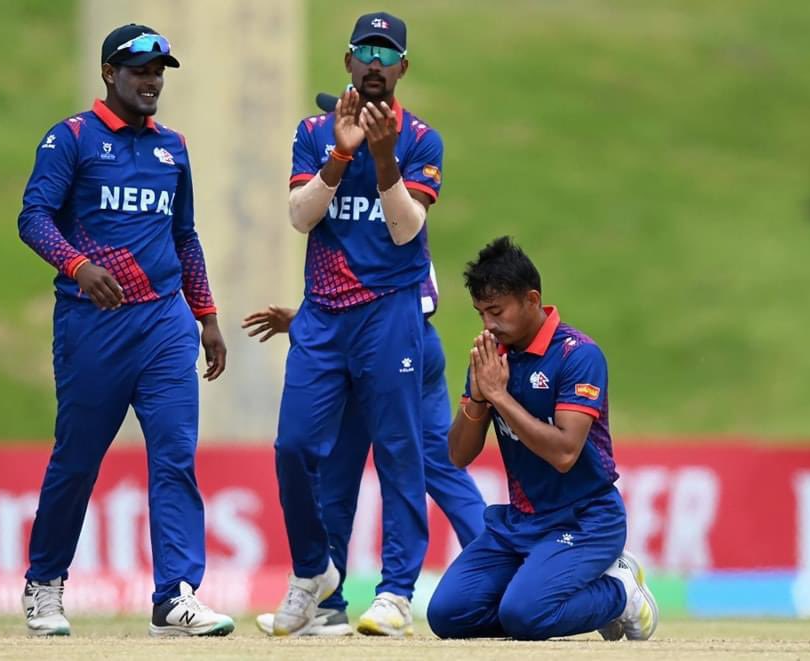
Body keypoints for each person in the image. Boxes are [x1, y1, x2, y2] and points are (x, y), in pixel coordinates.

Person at [16, 24, 234, 638]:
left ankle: (175, 596)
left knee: (175, 457)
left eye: (159, 70)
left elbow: (184, 236)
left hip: (164, 323)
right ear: (110, 73)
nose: (151, 80)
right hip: (94, 325)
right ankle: (44, 584)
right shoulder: (72, 139)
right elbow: (33, 217)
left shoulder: (173, 148)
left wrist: (207, 315)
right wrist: (78, 267)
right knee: (77, 460)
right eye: (140, 69)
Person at [271, 11, 444, 636]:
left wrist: (383, 156)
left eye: (386, 53)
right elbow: (300, 216)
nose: (375, 62)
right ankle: (313, 574)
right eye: (365, 51)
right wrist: (343, 154)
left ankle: (396, 591)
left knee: (399, 450)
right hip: (322, 313)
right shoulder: (314, 131)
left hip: (390, 311)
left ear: (402, 68)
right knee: (294, 447)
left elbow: (405, 230)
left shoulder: (421, 139)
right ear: (347, 62)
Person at [426, 237, 658, 641]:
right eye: (481, 313)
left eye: (497, 311)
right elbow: (459, 455)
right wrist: (479, 398)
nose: (488, 325)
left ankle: (620, 593)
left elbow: (565, 453)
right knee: (447, 616)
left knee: (525, 616)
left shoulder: (578, 355)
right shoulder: (491, 359)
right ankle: (547, 601)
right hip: (520, 521)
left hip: (585, 519)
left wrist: (500, 396)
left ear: (531, 299)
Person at [242, 276, 486, 636]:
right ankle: (327, 606)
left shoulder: (399, 243)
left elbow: (409, 295)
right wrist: (310, 319)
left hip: (397, 345)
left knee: (412, 465)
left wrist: (315, 322)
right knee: (344, 475)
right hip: (372, 344)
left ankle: (486, 575)